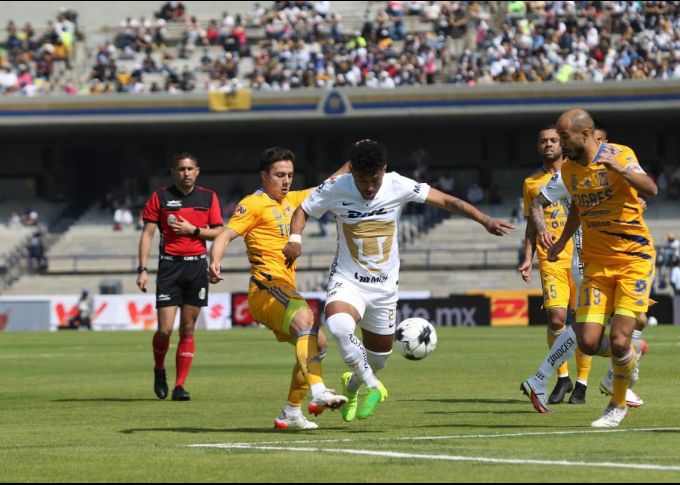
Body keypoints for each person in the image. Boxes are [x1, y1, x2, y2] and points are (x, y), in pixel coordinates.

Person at [283, 139, 513, 421]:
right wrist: (295, 238)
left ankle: (353, 386)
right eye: (362, 180)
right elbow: (302, 210)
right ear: (351, 171)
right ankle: (372, 385)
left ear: (384, 169)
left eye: (374, 179)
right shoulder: (335, 187)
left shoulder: (398, 184)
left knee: (378, 359)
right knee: (340, 327)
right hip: (347, 280)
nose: (368, 187)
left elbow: (446, 200)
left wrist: (484, 219)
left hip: (384, 289)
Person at [522, 109, 657, 427]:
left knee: (625, 334)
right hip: (594, 263)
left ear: (585, 134)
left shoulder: (619, 154)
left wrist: (621, 170)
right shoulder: (568, 172)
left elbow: (650, 188)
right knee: (588, 340)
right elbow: (577, 209)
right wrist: (558, 242)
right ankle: (622, 365)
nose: (558, 143)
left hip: (632, 259)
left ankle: (616, 403)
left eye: (563, 136)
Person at [208, 147, 350, 430]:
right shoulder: (253, 204)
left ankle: (291, 412)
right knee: (307, 319)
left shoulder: (294, 200)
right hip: (265, 287)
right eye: (279, 175)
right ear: (264, 176)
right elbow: (224, 235)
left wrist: (352, 162)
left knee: (317, 344)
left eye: (289, 175)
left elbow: (328, 186)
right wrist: (214, 261)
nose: (286, 181)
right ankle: (319, 390)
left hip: (283, 289)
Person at [137, 153, 224, 402]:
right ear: (174, 172)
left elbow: (219, 231)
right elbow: (147, 234)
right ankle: (159, 369)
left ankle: (179, 385)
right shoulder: (160, 197)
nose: (186, 173)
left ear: (197, 171)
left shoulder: (209, 197)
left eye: (190, 168)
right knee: (164, 330)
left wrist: (192, 231)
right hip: (169, 268)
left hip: (196, 268)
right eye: (181, 169)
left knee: (187, 329)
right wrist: (142, 269)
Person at [518, 126, 592, 406]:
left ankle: (582, 383)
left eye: (552, 140)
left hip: (583, 257)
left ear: (562, 144)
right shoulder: (531, 183)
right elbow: (530, 222)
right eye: (542, 141)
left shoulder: (577, 173)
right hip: (551, 260)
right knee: (557, 320)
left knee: (584, 322)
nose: (548, 145)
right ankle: (562, 376)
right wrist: (527, 257)